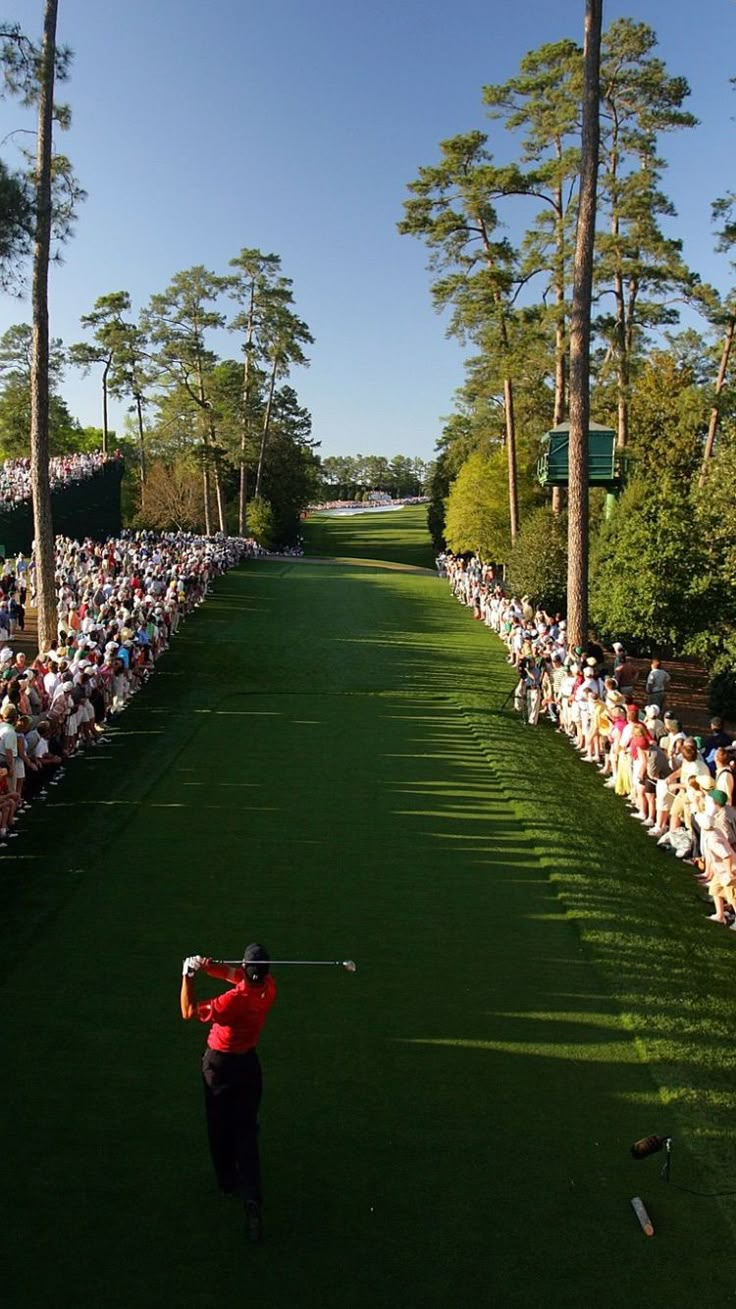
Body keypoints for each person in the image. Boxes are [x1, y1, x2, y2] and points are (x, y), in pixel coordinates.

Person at [180, 943, 276, 1243]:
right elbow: (237, 975)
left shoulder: (232, 1001)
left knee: (219, 1128)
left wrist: (189, 976)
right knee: (246, 1131)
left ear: (247, 970)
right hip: (249, 1064)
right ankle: (252, 1199)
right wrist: (210, 967)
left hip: (220, 1067)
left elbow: (188, 1011)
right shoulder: (268, 988)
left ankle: (226, 1181)